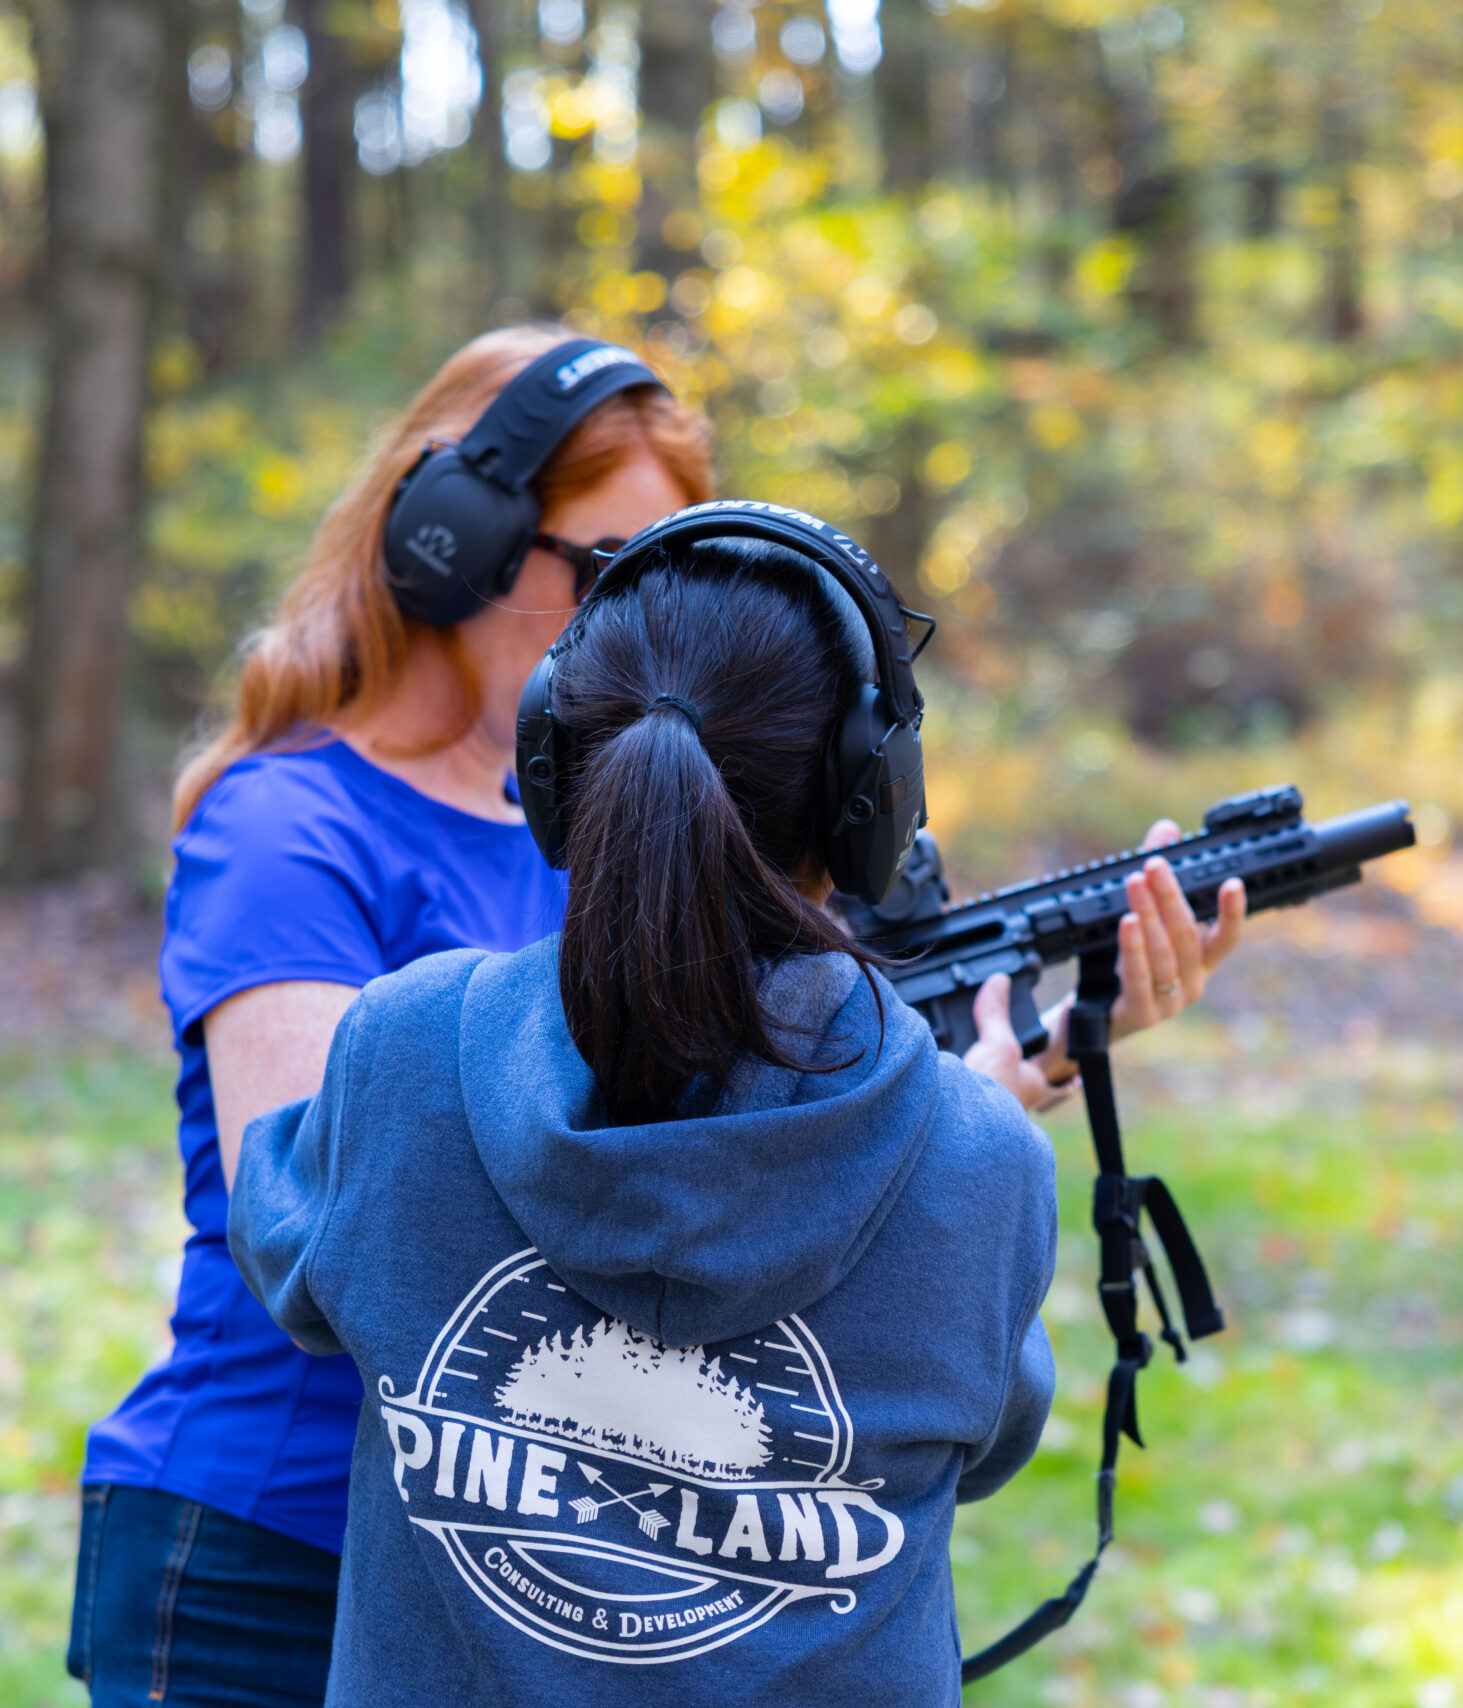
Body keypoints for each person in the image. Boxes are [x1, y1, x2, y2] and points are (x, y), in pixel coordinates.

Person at [69, 327, 1241, 1706]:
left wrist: (949, 1097)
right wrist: (944, 1137)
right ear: (458, 545)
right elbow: (319, 1206)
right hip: (286, 1539)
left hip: (598, 1542)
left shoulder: (632, 844)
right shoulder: (294, 832)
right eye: (613, 568)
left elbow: (722, 1143)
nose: (649, 614)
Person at [224, 518, 1067, 1705]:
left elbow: (285, 1243)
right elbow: (989, 1436)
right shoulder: (980, 1159)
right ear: (869, 801)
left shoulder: (407, 1052)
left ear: (555, 766)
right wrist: (955, 1126)